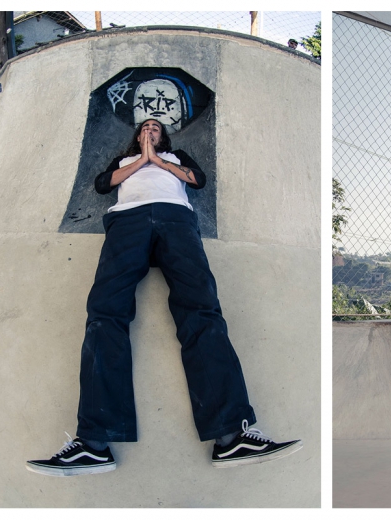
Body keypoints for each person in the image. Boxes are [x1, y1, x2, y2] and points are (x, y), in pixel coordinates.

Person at [26, 118, 302, 476]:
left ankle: (231, 434)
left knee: (202, 311)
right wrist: (141, 160)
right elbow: (101, 186)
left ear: (164, 136)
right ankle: (93, 443)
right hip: (127, 222)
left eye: (155, 128)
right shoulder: (123, 162)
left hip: (176, 221)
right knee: (104, 314)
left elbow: (196, 180)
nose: (150, 130)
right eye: (144, 128)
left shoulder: (176, 157)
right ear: (136, 137)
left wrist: (157, 160)